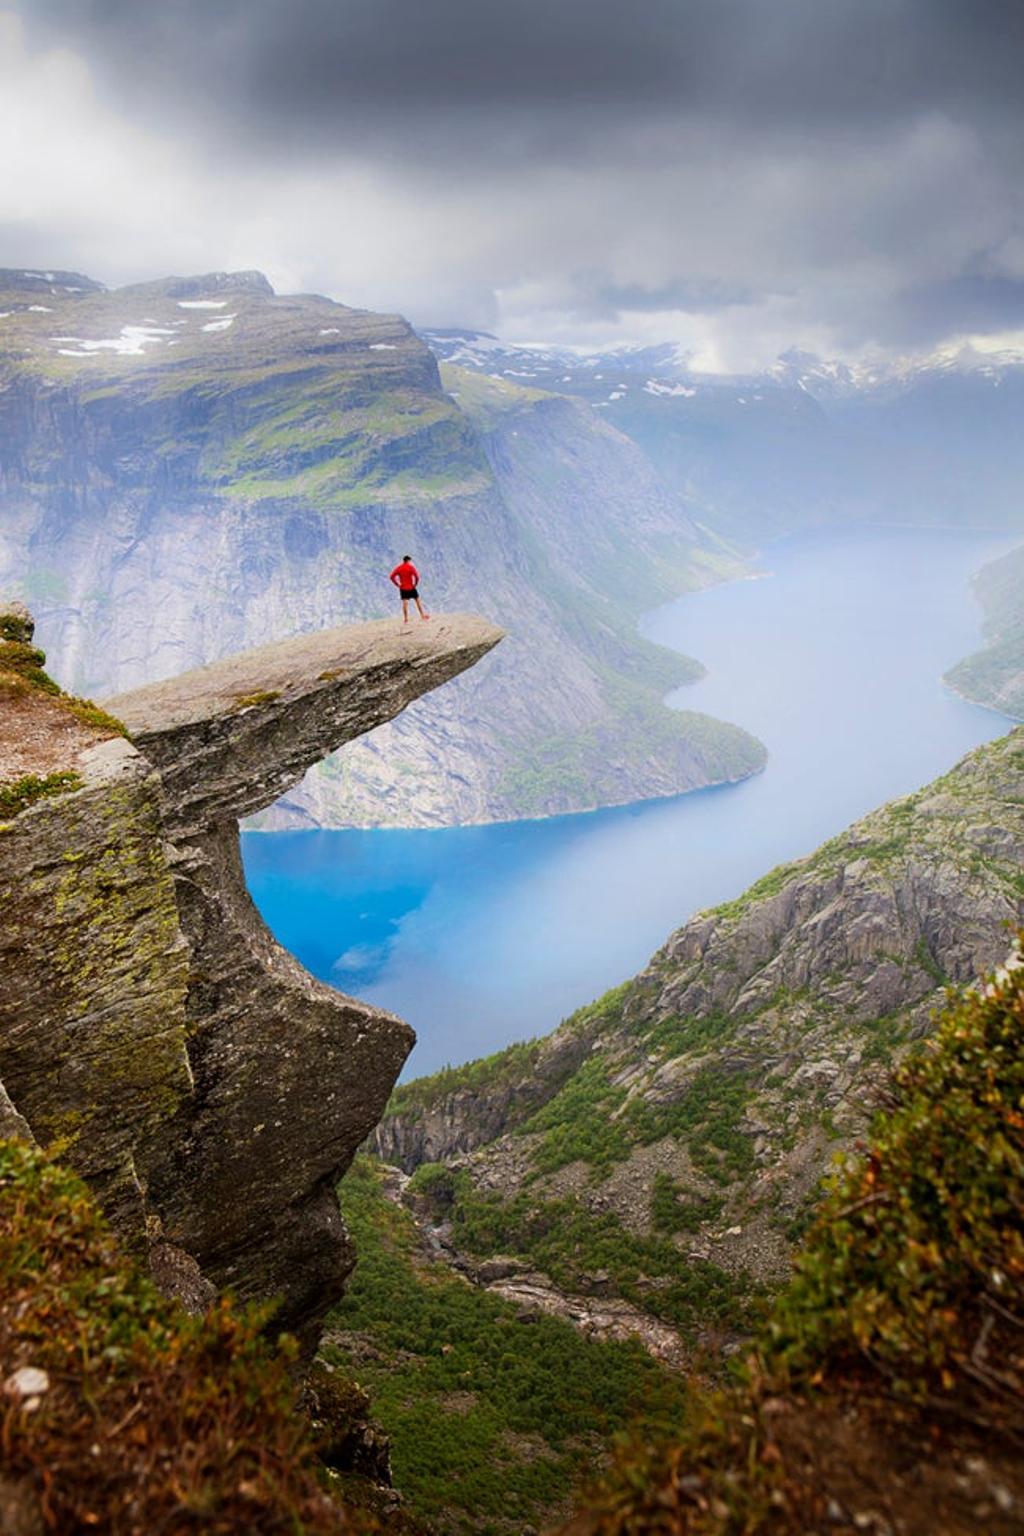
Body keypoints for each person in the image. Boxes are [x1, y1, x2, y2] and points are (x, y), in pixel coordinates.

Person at [390, 554, 430, 623]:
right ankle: (422, 615)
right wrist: (415, 584)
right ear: (408, 561)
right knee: (417, 601)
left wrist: (397, 584)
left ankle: (406, 619)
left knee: (405, 603)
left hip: (403, 587)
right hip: (411, 587)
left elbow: (391, 576)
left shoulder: (399, 568)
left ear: (403, 560)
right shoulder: (411, 567)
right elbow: (417, 576)